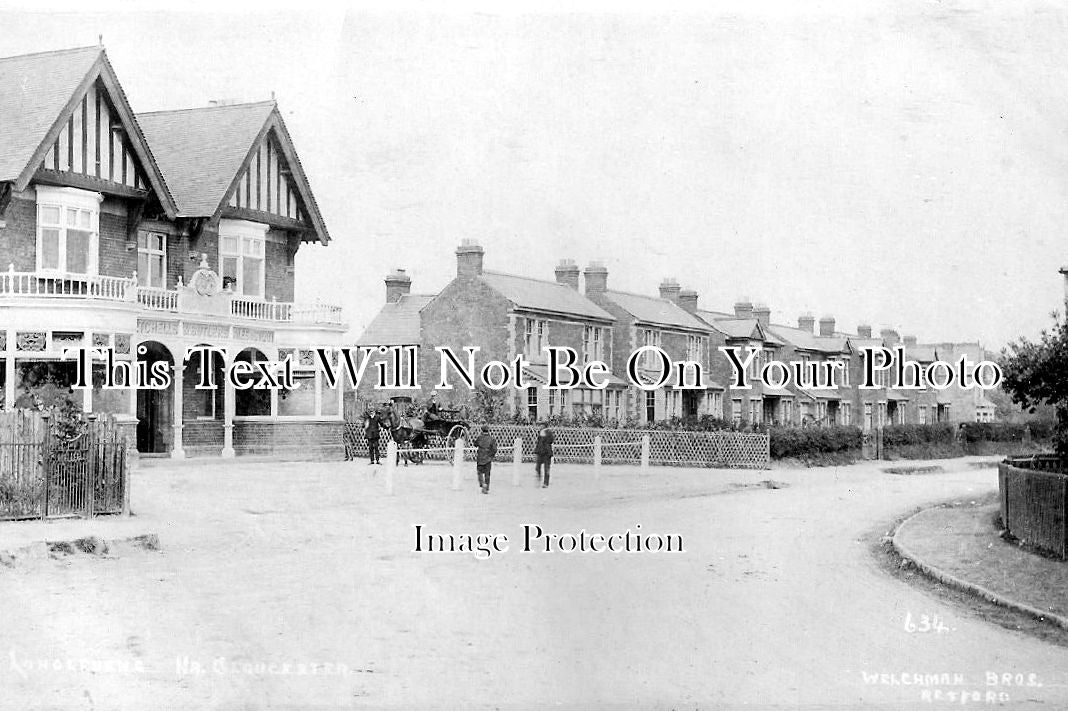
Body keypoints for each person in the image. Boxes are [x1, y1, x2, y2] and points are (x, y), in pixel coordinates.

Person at [475, 424, 498, 494]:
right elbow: (494, 449)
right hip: (488, 459)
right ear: (488, 431)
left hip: (480, 458)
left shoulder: (479, 438)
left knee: (479, 472)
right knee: (487, 474)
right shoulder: (492, 439)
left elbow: (475, 444)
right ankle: (486, 487)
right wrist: (491, 456)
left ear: (481, 431)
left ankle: (482, 484)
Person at [534, 421, 554, 488]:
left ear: (544, 426)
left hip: (546, 453)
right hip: (540, 452)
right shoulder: (540, 432)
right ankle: (539, 479)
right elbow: (538, 443)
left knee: (546, 469)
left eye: (541, 425)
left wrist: (545, 435)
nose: (540, 426)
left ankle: (546, 483)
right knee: (537, 467)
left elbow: (551, 440)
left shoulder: (549, 432)